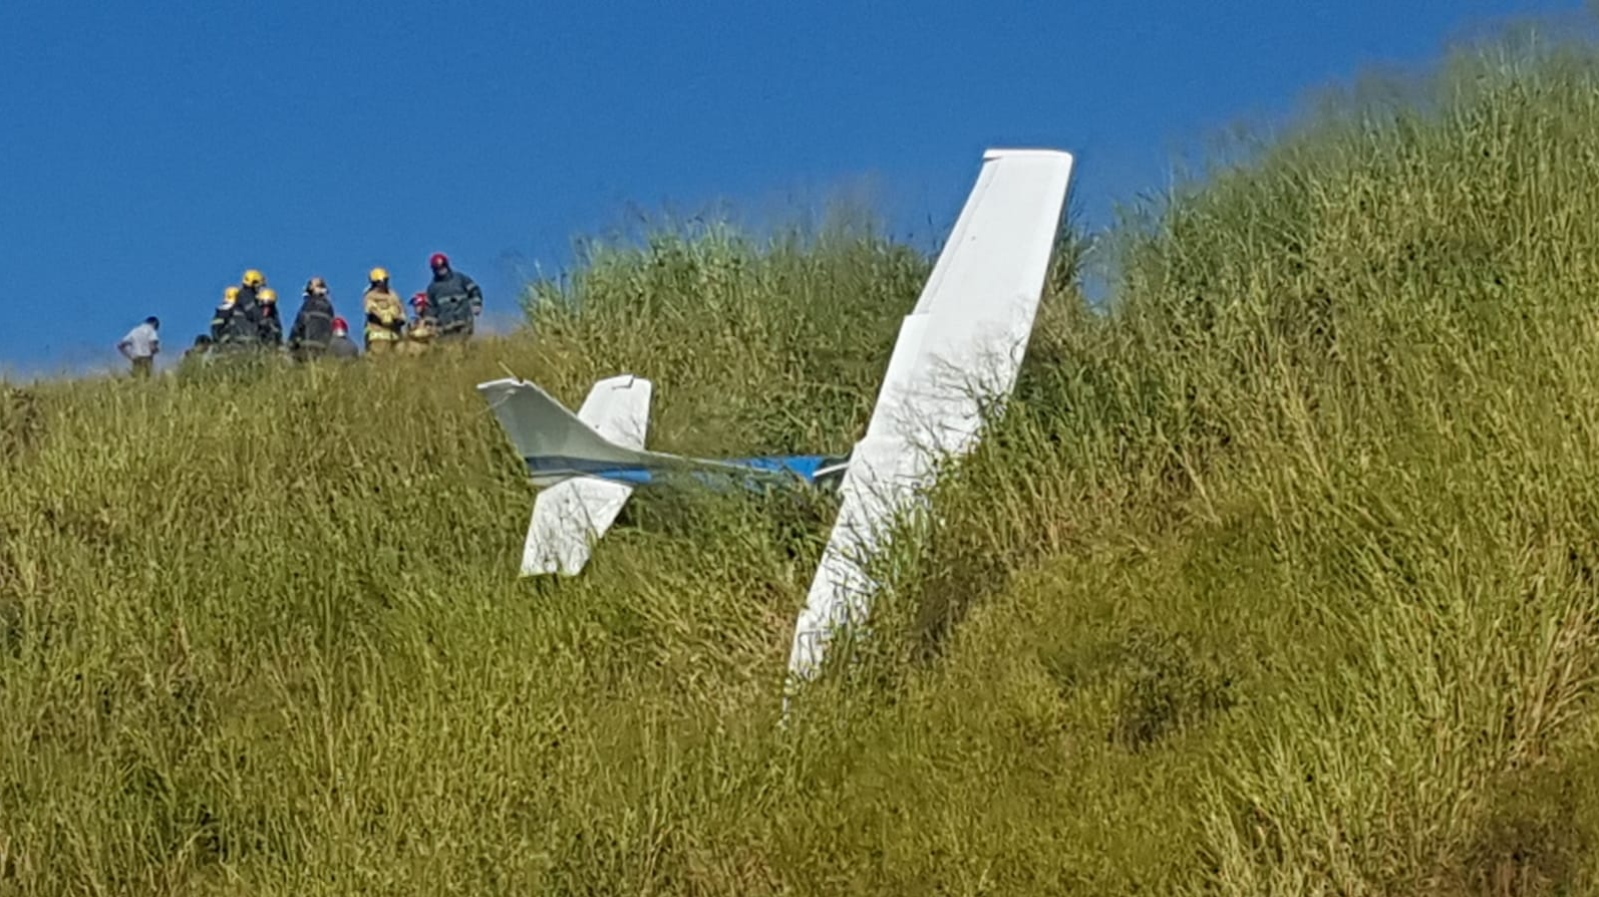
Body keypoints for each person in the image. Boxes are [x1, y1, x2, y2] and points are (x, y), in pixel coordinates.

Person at [424, 253, 483, 342]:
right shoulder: (432, 288)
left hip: (464, 320)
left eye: (443, 266)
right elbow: (430, 309)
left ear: (447, 265)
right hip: (446, 327)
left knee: (464, 344)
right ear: (433, 270)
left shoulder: (460, 278)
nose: (441, 270)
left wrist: (477, 304)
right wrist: (430, 324)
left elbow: (474, 290)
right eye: (437, 268)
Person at [288, 277, 336, 361]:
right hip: (323, 349)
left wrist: (291, 343)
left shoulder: (308, 304)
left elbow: (299, 325)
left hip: (306, 347)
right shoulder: (329, 308)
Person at [362, 267, 406, 355]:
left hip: (396, 336)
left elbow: (401, 311)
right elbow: (372, 310)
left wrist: (400, 319)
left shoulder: (394, 295)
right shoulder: (370, 296)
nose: (382, 284)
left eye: (385, 281)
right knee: (380, 361)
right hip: (378, 335)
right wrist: (384, 317)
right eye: (379, 282)